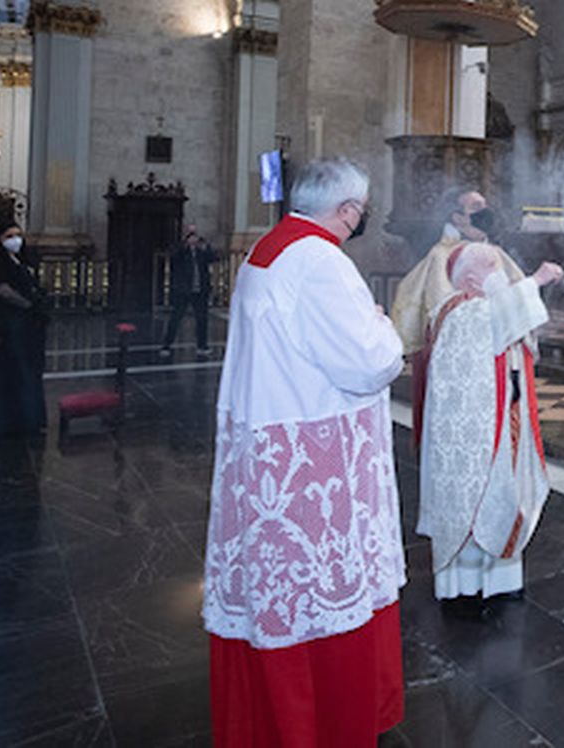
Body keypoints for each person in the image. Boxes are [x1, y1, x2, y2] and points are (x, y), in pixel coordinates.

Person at [203, 158, 407, 747]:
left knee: (277, 589)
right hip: (310, 457)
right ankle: (323, 726)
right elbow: (370, 363)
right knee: (320, 585)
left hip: (267, 442)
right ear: (348, 211)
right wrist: (383, 324)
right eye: (360, 212)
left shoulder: (267, 248)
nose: (358, 221)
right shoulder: (322, 260)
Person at [418, 243, 562, 609]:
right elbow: (503, 316)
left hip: (500, 420)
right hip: (473, 434)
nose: (502, 274)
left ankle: (499, 582)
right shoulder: (460, 311)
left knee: (503, 496)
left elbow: (516, 330)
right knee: (474, 502)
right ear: (469, 278)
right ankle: (466, 587)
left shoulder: (488, 309)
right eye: (492, 267)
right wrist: (538, 280)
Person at [392, 187, 523, 445]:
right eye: (475, 208)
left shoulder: (492, 250)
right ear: (457, 218)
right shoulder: (442, 256)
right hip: (463, 368)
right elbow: (446, 314)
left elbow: (517, 294)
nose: (485, 212)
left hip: (499, 359)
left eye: (485, 205)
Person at [0, 218, 46, 439]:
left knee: (26, 372)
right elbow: (1, 289)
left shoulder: (19, 259)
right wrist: (28, 305)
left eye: (18, 235)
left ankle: (27, 420)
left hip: (23, 327)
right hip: (2, 327)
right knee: (7, 374)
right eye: (9, 236)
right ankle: (4, 424)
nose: (15, 240)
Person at [160, 225, 217, 357]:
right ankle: (166, 345)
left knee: (202, 319)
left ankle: (202, 346)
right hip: (184, 290)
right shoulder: (182, 251)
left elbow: (214, 258)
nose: (193, 240)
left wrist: (205, 246)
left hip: (200, 290)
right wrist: (185, 244)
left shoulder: (201, 252)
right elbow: (173, 254)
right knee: (176, 318)